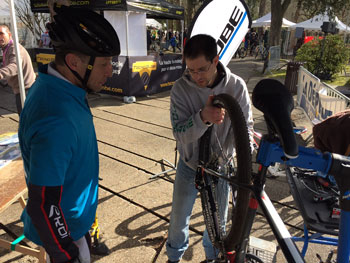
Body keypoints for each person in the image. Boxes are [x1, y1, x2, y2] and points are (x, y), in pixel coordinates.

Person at [18, 4, 120, 263]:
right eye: (105, 63)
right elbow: (43, 205)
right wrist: (67, 254)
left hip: (76, 221)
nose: (111, 70)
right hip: (68, 233)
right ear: (74, 62)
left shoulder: (60, 87)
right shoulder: (57, 117)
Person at [167, 34, 254, 263]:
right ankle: (174, 257)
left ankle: (213, 257)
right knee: (178, 219)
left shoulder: (236, 86)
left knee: (217, 222)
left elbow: (246, 129)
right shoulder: (180, 89)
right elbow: (179, 132)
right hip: (189, 165)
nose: (196, 77)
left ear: (216, 60)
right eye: (191, 70)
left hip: (221, 167)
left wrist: (247, 152)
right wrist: (203, 118)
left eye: (202, 69)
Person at [0, 24, 36, 115]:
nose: (0, 37)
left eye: (1, 34)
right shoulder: (7, 49)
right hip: (21, 90)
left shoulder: (14, 48)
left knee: (27, 121)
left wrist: (1, 73)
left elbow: (15, 66)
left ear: (9, 35)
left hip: (26, 91)